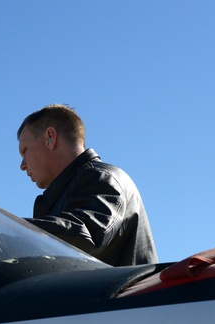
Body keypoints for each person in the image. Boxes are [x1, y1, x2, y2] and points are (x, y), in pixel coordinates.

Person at [17, 104, 157, 266]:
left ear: (50, 137)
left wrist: (5, 226)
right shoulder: (70, 190)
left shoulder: (102, 178)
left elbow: (86, 235)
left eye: (25, 150)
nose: (22, 165)